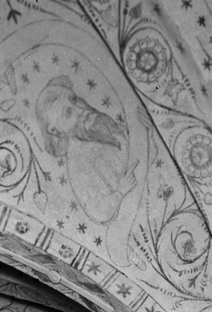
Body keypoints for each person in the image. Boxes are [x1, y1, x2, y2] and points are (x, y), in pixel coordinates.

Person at [34, 76, 137, 225]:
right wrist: (120, 192)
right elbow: (98, 212)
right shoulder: (78, 164)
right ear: (56, 131)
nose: (81, 110)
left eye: (74, 100)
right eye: (68, 112)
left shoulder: (97, 126)